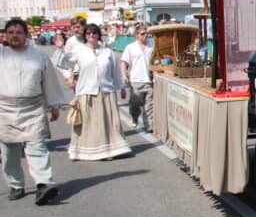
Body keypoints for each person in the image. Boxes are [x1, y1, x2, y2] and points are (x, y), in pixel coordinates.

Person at [0, 18, 67, 204]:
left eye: (18, 32)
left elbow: (50, 82)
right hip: (4, 110)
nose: (14, 36)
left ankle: (43, 185)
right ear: (5, 35)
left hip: (33, 108)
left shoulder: (39, 56)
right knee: (9, 152)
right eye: (10, 32)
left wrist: (54, 105)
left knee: (37, 147)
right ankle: (15, 185)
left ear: (26, 35)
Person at [66, 23, 131, 161]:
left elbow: (115, 72)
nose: (91, 35)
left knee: (107, 123)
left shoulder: (108, 52)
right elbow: (64, 64)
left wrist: (121, 88)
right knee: (88, 123)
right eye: (88, 33)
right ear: (85, 36)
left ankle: (110, 150)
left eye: (94, 33)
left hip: (106, 91)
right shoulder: (79, 50)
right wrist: (61, 49)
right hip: (86, 91)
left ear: (98, 35)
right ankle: (85, 151)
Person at [120, 23, 154, 131]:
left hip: (149, 81)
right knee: (135, 104)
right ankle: (134, 117)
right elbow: (124, 63)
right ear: (136, 35)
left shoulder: (151, 46)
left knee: (149, 106)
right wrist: (124, 75)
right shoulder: (130, 48)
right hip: (135, 81)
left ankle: (149, 125)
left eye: (147, 34)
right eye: (143, 34)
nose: (146, 36)